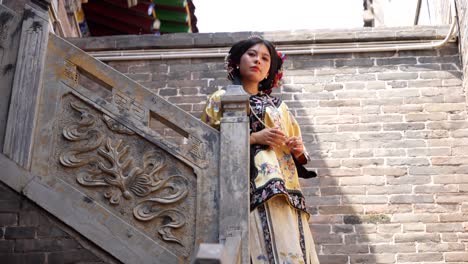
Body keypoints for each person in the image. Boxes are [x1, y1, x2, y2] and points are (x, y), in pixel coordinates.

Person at [202, 36, 320, 264]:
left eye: (265, 58)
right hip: (242, 190)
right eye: (252, 54)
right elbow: (206, 143)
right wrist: (255, 137)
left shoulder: (279, 107)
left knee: (287, 248)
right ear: (237, 61)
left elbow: (301, 153)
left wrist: (298, 150)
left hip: (285, 190)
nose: (258, 61)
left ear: (268, 72)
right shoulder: (220, 99)